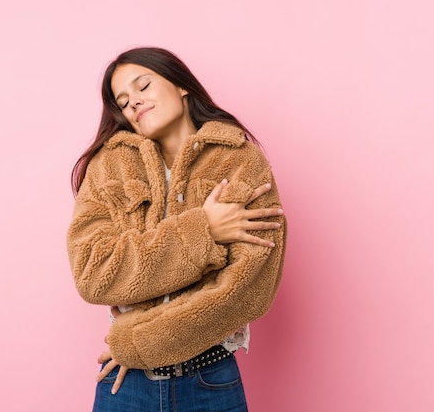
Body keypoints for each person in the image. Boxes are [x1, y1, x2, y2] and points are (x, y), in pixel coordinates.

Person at [67, 47, 287, 412]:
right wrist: (204, 229)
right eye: (123, 102)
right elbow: (93, 273)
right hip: (126, 385)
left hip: (210, 380)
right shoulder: (109, 166)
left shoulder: (239, 159)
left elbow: (249, 288)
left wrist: (137, 343)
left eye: (143, 87)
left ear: (181, 85)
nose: (134, 103)